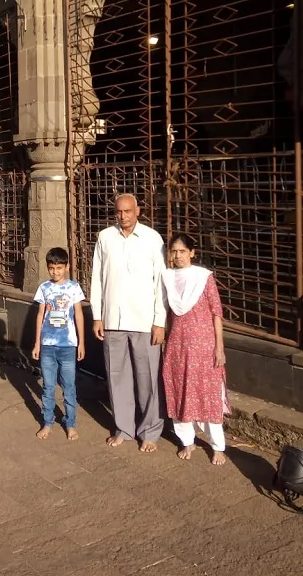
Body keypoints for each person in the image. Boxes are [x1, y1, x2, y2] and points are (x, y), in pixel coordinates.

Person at [90, 194, 167, 452]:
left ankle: (150, 431)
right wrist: (98, 316)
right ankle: (123, 427)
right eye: (119, 212)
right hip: (113, 319)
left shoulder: (152, 239)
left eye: (127, 211)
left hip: (145, 320)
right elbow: (97, 279)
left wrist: (160, 321)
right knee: (117, 377)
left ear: (138, 211)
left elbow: (160, 282)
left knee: (147, 379)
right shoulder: (105, 237)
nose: (123, 216)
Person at [162, 232, 230, 466]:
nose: (178, 256)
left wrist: (219, 347)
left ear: (192, 252)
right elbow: (168, 314)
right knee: (180, 391)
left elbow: (216, 312)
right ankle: (187, 441)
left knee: (208, 393)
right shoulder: (167, 277)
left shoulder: (203, 277)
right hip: (178, 345)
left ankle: (217, 446)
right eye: (174, 251)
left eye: (182, 251)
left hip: (204, 345)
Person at [32, 247, 85, 441]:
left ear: (67, 267)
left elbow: (79, 314)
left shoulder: (73, 288)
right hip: (47, 345)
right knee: (48, 386)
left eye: (59, 267)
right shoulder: (44, 288)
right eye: (52, 268)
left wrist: (81, 342)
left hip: (68, 344)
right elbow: (40, 315)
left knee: (69, 386)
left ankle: (70, 423)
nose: (55, 272)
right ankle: (47, 421)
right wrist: (37, 343)